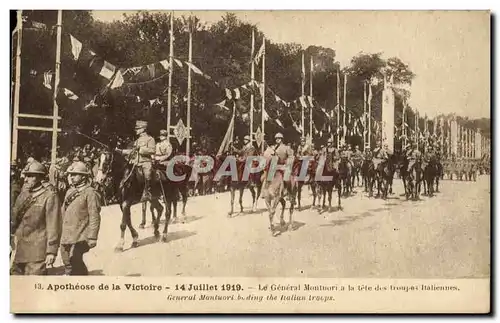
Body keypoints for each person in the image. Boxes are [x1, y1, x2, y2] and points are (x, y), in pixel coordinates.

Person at [11, 160, 61, 275]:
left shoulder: (50, 196)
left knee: (33, 286)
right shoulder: (23, 194)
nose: (26, 179)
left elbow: (53, 225)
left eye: (30, 176)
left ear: (39, 177)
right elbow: (14, 219)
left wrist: (51, 251)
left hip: (37, 253)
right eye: (25, 176)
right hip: (19, 250)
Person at [60, 161, 102, 276]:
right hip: (66, 234)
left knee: (75, 260)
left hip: (81, 235)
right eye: (70, 175)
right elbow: (63, 212)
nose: (71, 177)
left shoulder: (90, 193)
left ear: (83, 177)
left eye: (75, 175)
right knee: (66, 260)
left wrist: (93, 237)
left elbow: (95, 216)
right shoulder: (69, 191)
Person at [115, 120, 156, 202]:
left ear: (143, 129)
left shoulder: (150, 139)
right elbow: (132, 151)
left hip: (145, 162)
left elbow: (152, 150)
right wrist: (121, 151)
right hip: (135, 163)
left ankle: (147, 192)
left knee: (147, 174)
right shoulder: (137, 141)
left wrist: (141, 149)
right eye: (136, 129)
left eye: (138, 129)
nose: (136, 130)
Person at [261, 133, 294, 198]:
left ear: (281, 139)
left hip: (283, 166)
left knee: (287, 179)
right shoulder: (273, 147)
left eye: (279, 138)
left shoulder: (286, 147)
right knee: (264, 177)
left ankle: (289, 193)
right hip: (274, 166)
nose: (277, 140)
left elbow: (291, 157)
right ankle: (264, 192)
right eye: (276, 138)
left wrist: (287, 164)